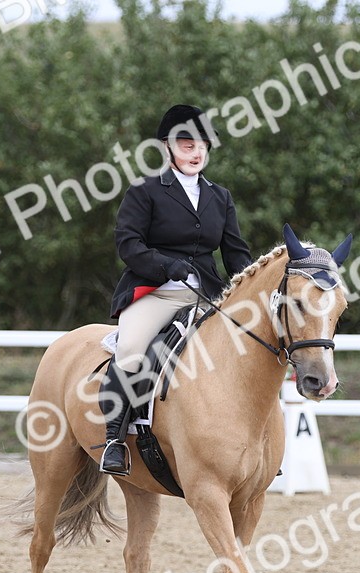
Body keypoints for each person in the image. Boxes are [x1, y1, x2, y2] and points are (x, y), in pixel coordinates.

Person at [98, 103, 254, 475]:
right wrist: (166, 264)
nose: (197, 152)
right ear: (167, 147)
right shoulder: (146, 191)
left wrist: (250, 291)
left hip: (208, 294)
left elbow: (236, 254)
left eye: (202, 145)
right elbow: (128, 244)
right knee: (133, 349)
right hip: (156, 291)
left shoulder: (220, 197)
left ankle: (251, 442)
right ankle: (114, 440)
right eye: (187, 145)